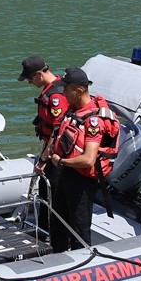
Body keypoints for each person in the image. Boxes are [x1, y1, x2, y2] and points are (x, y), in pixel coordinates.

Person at [46, 67, 121, 253]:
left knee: (79, 228)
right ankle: (57, 258)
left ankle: (82, 264)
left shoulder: (93, 120)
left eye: (66, 89)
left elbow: (88, 159)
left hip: (82, 179)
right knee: (58, 221)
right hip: (67, 174)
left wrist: (61, 162)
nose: (63, 93)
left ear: (79, 91)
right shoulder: (74, 109)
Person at [18, 56, 66, 230]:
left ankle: (52, 232)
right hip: (50, 150)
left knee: (51, 191)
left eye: (30, 78)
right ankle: (44, 229)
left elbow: (58, 130)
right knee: (45, 189)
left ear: (39, 74)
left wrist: (43, 160)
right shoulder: (54, 88)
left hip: (56, 154)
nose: (29, 83)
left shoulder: (56, 96)